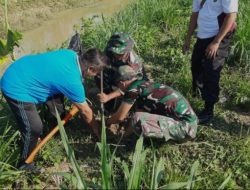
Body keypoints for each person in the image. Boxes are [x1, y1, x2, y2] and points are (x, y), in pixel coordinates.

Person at [0, 48, 108, 172]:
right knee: (34, 127)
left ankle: (57, 124)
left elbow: (55, 74)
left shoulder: (71, 54)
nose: (94, 76)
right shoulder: (71, 80)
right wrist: (96, 129)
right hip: (15, 86)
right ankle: (25, 163)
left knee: (57, 94)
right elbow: (86, 111)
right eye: (96, 73)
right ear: (90, 69)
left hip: (22, 68)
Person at [106, 65, 198, 142]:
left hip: (185, 128)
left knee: (137, 118)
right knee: (138, 116)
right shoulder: (144, 85)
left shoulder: (133, 90)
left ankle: (155, 142)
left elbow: (119, 117)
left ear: (122, 83)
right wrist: (124, 136)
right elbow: (140, 111)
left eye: (118, 86)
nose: (119, 89)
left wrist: (106, 123)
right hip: (188, 124)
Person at [183, 0, 238, 123]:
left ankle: (208, 110)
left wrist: (216, 42)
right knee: (196, 66)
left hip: (219, 36)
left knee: (211, 70)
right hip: (203, 35)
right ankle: (201, 96)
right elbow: (195, 14)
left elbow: (231, 16)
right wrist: (187, 39)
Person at [96, 32, 148, 113]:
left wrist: (108, 97)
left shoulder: (134, 63)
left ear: (127, 50)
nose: (117, 55)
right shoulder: (109, 50)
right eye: (115, 52)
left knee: (133, 87)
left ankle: (128, 102)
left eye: (121, 53)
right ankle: (109, 99)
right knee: (99, 76)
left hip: (133, 80)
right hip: (116, 72)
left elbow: (131, 85)